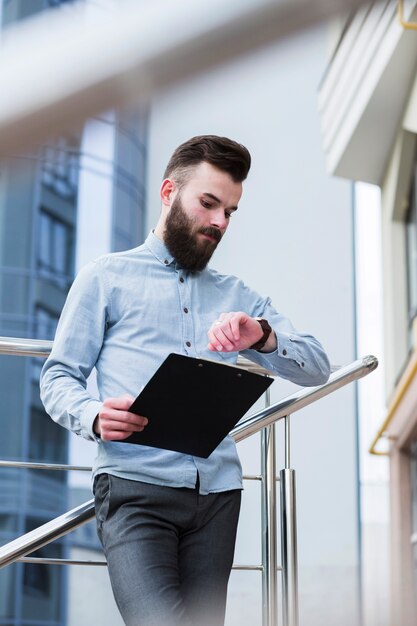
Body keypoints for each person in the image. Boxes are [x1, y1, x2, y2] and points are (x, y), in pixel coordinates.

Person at [40, 135, 330, 626]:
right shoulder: (105, 278)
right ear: (169, 192)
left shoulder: (239, 296)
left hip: (216, 497)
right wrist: (92, 414)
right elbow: (58, 376)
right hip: (134, 489)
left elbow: (317, 366)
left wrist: (261, 336)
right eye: (209, 203)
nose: (220, 222)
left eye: (230, 212)